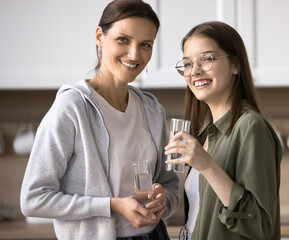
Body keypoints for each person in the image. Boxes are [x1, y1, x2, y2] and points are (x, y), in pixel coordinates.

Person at [20, 1, 180, 239]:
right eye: (123, 40)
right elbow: (33, 199)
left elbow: (170, 184)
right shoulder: (72, 107)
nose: (134, 54)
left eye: (145, 44)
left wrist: (164, 199)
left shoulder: (151, 109)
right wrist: (112, 205)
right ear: (99, 36)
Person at [165, 21, 282, 240]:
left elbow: (260, 225)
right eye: (188, 64)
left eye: (207, 59)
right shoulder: (206, 133)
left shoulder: (251, 127)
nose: (195, 71)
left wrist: (207, 165)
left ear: (235, 64)